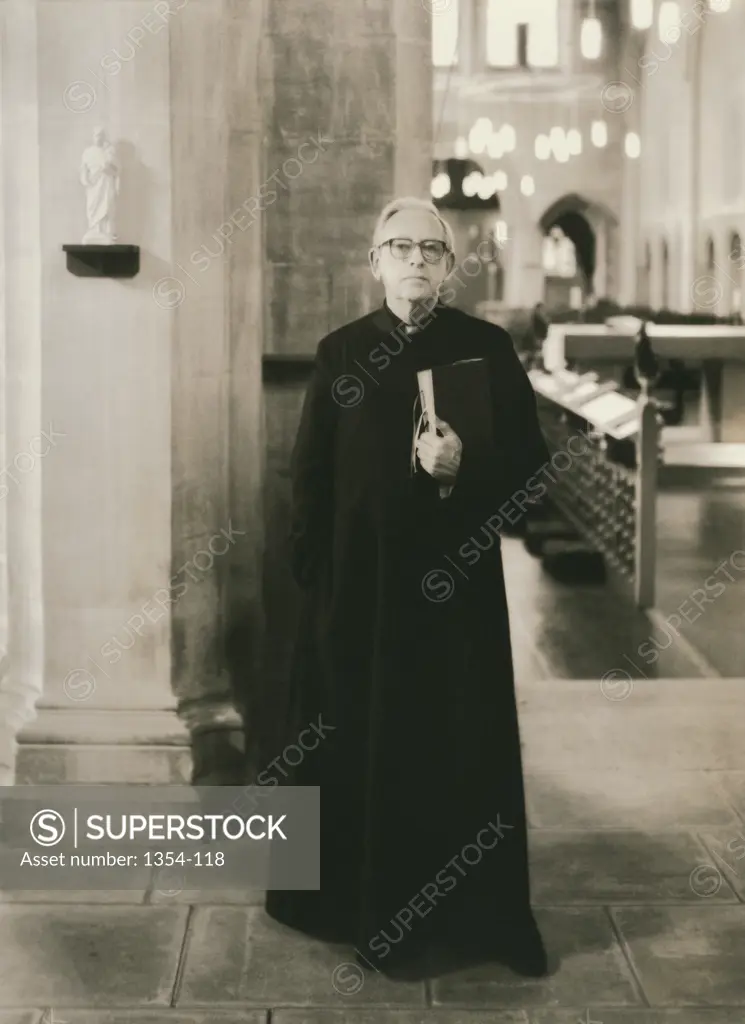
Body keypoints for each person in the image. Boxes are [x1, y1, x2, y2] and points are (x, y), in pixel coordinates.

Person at [264, 196, 551, 980]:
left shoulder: (485, 349)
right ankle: (356, 905)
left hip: (451, 595)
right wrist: (315, 576)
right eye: (400, 246)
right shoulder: (339, 352)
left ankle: (465, 912)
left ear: (451, 268)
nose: (416, 259)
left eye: (431, 248)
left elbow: (530, 468)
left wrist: (466, 474)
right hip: (358, 590)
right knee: (360, 737)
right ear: (375, 262)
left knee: (448, 741)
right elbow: (311, 476)